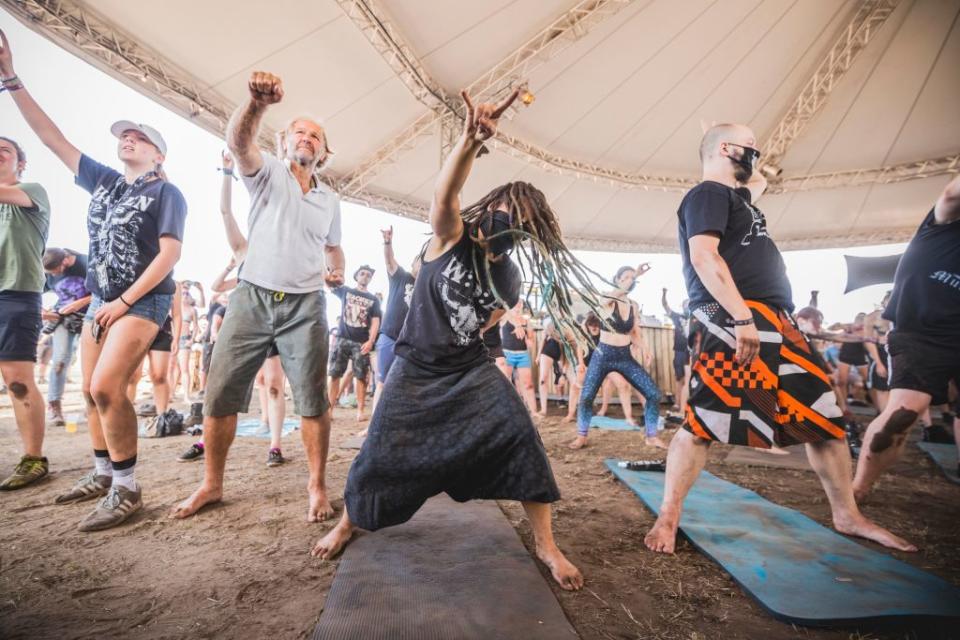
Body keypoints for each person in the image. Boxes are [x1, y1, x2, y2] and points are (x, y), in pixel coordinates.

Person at [312, 88, 595, 592]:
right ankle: (349, 521)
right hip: (414, 368)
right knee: (378, 453)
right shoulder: (451, 235)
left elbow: (480, 329)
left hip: (469, 371)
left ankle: (546, 544)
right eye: (509, 212)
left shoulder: (508, 279)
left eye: (523, 222)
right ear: (491, 209)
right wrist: (470, 141)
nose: (512, 224)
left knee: (522, 436)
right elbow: (445, 195)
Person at [644, 123, 914, 554]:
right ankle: (668, 518)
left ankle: (848, 516)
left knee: (825, 421)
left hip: (779, 322)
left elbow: (758, 180)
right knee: (702, 426)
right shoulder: (707, 194)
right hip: (731, 317)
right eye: (752, 147)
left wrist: (750, 164)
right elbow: (703, 254)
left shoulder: (737, 198)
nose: (758, 156)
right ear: (728, 148)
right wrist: (740, 317)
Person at [4, 31, 189, 531]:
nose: (127, 139)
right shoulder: (105, 182)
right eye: (123, 136)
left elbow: (170, 254)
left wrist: (123, 300)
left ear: (157, 155)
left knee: (109, 387)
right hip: (102, 302)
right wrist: (11, 78)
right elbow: (51, 139)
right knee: (89, 392)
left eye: (139, 137)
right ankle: (103, 474)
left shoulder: (166, 192)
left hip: (142, 302)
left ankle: (128, 490)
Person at [171, 71, 343, 521]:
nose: (307, 139)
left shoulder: (330, 199)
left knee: (311, 398)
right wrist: (257, 105)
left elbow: (333, 244)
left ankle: (316, 486)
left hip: (306, 304)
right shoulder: (266, 171)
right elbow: (239, 143)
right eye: (300, 132)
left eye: (316, 136)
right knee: (221, 391)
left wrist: (337, 265)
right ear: (285, 142)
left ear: (324, 153)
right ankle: (211, 483)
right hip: (251, 296)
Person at [853, 174, 960, 500]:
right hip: (921, 332)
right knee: (904, 413)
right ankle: (857, 491)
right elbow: (952, 193)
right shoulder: (946, 220)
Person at [0, 133, 51, 490]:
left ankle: (34, 458)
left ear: (21, 163)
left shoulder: (32, 190)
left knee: (17, 380)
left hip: (18, 295)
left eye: (4, 151)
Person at [571, 264, 664, 450]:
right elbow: (617, 293)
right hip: (603, 354)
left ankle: (651, 436)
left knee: (653, 394)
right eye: (625, 277)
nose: (629, 280)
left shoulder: (633, 305)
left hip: (624, 356)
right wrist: (636, 274)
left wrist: (646, 349)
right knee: (587, 396)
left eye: (632, 278)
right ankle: (581, 436)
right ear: (617, 280)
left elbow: (633, 332)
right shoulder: (608, 298)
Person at [41, 247, 91, 427]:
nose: (53, 275)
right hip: (63, 318)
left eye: (55, 271)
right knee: (60, 360)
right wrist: (43, 312)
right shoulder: (49, 271)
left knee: (91, 363)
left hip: (90, 317)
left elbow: (105, 291)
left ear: (65, 261)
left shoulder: (86, 262)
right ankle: (54, 407)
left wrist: (80, 303)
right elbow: (33, 291)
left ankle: (91, 407)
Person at [372, 225, 418, 414]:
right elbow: (389, 260)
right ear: (414, 264)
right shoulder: (402, 277)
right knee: (382, 382)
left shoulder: (428, 289)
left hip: (411, 343)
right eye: (419, 261)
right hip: (390, 336)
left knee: (407, 385)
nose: (422, 265)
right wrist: (388, 241)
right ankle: (373, 425)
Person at [329, 265, 382, 422]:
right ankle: (329, 409)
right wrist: (332, 272)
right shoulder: (346, 291)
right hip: (342, 338)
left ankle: (360, 411)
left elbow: (375, 322)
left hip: (361, 342)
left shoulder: (373, 299)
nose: (365, 276)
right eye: (362, 274)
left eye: (368, 275)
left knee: (360, 376)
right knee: (334, 374)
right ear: (356, 276)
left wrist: (370, 341)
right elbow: (329, 284)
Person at [127, 283, 181, 416]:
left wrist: (176, 339)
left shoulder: (175, 285)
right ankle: (126, 415)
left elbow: (177, 314)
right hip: (137, 330)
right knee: (132, 376)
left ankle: (162, 416)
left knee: (159, 376)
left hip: (162, 332)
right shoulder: (138, 277)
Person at [498, 301, 538, 415]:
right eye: (516, 302)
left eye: (520, 303)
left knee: (528, 385)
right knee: (506, 383)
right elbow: (504, 311)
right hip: (507, 354)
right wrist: (517, 325)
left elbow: (531, 340)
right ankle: (504, 411)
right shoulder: (505, 316)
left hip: (523, 354)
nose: (518, 305)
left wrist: (528, 339)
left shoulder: (527, 321)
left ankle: (534, 411)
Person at [662, 288, 691, 413]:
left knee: (690, 379)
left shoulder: (697, 318)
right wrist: (664, 294)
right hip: (680, 351)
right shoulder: (677, 317)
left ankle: (687, 405)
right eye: (686, 304)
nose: (688, 306)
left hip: (692, 351)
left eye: (690, 304)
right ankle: (677, 403)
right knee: (680, 378)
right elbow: (665, 306)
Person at [864, 292, 892, 413]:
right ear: (883, 302)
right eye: (888, 300)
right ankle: (883, 418)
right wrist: (879, 363)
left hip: (900, 354)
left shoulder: (905, 313)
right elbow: (868, 340)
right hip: (881, 354)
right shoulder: (872, 317)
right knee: (882, 389)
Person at [835, 313, 869, 414]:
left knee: (870, 382)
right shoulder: (849, 327)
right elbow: (837, 330)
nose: (860, 321)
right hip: (845, 355)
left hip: (860, 356)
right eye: (858, 319)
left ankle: (878, 406)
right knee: (842, 381)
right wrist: (843, 328)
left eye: (862, 319)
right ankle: (843, 406)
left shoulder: (867, 329)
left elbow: (868, 342)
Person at [537, 320, 564, 417]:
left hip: (561, 354)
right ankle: (543, 409)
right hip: (548, 351)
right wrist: (538, 355)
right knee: (543, 379)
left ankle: (561, 400)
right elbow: (542, 341)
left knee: (561, 378)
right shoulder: (549, 324)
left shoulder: (565, 322)